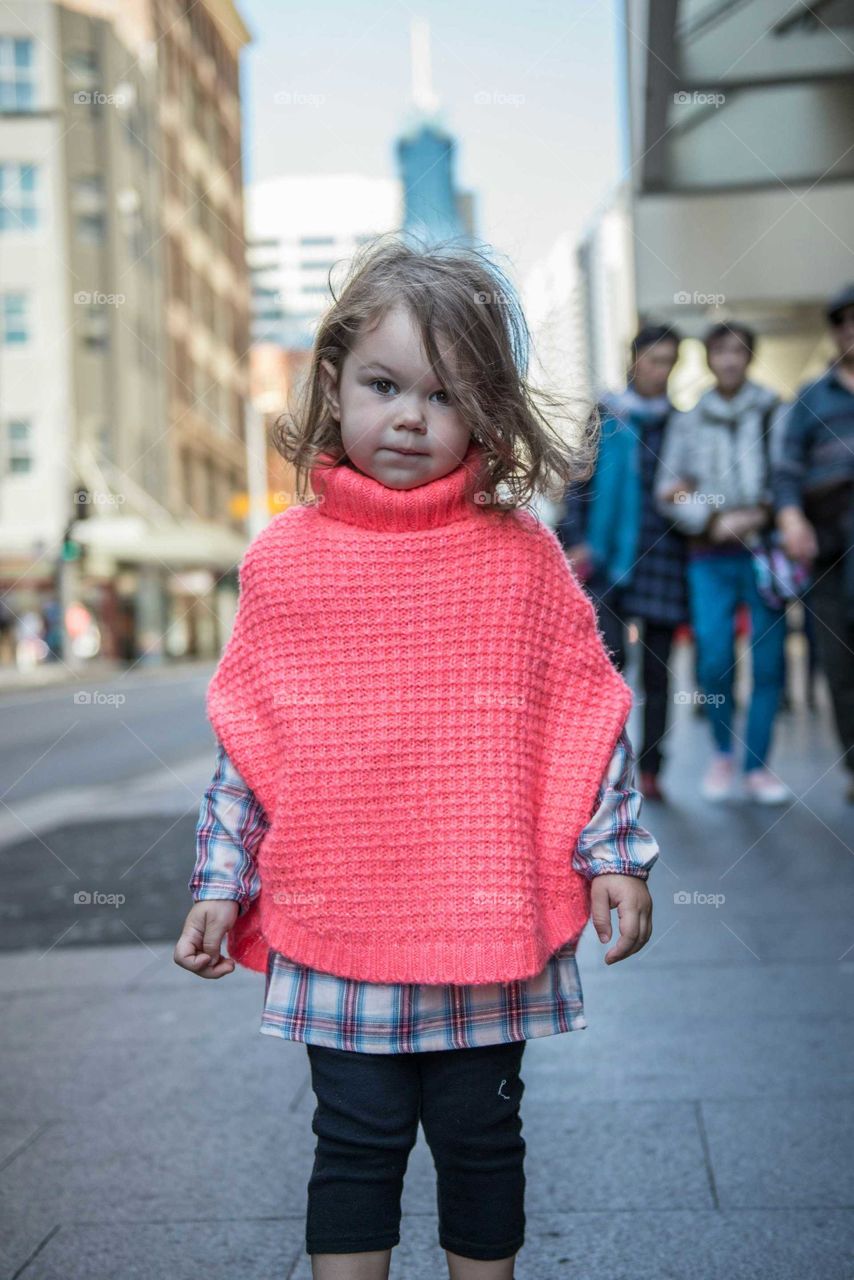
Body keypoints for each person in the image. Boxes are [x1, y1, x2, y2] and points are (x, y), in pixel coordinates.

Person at [173, 238, 660, 1280]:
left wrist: (614, 851)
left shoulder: (519, 553)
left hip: (487, 911)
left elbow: (581, 714)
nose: (407, 415)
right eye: (382, 384)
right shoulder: (282, 560)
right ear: (333, 381)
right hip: (337, 914)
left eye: (443, 395)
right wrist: (220, 879)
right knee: (352, 1141)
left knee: (481, 1140)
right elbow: (248, 741)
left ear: (484, 409)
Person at [653, 322, 790, 803]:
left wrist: (757, 513)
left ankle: (757, 767)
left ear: (750, 355)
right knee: (713, 659)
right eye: (720, 352)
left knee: (770, 663)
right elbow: (668, 491)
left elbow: (787, 480)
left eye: (738, 351)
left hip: (764, 556)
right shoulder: (688, 420)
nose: (729, 360)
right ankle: (722, 754)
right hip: (708, 556)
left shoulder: (776, 410)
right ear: (708, 359)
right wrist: (711, 519)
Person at [556, 324, 690, 803]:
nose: (660, 370)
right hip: (606, 558)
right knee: (611, 667)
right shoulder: (606, 414)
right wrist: (576, 540)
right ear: (634, 361)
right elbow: (578, 482)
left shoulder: (679, 422)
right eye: (653, 360)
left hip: (663, 559)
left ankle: (653, 770)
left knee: (659, 671)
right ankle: (608, 766)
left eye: (669, 361)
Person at [774, 284, 854, 803]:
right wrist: (790, 518)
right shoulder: (811, 397)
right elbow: (785, 470)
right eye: (842, 322)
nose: (851, 330)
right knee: (839, 665)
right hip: (827, 551)